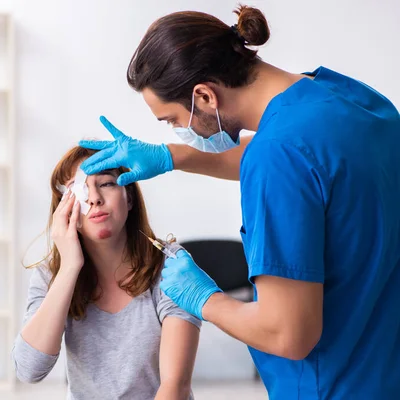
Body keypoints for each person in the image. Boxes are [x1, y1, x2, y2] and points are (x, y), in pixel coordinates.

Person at [79, 5, 400, 400]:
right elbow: (302, 158)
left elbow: (289, 334)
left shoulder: (277, 158)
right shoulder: (346, 98)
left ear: (204, 96)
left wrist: (205, 299)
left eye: (172, 121)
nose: (177, 131)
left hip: (333, 386)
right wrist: (170, 156)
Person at [12, 146, 202, 400]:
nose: (94, 199)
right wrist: (69, 267)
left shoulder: (171, 265)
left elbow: (175, 386)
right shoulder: (51, 275)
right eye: (79, 189)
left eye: (106, 184)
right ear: (64, 210)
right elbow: (29, 370)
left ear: (130, 197)